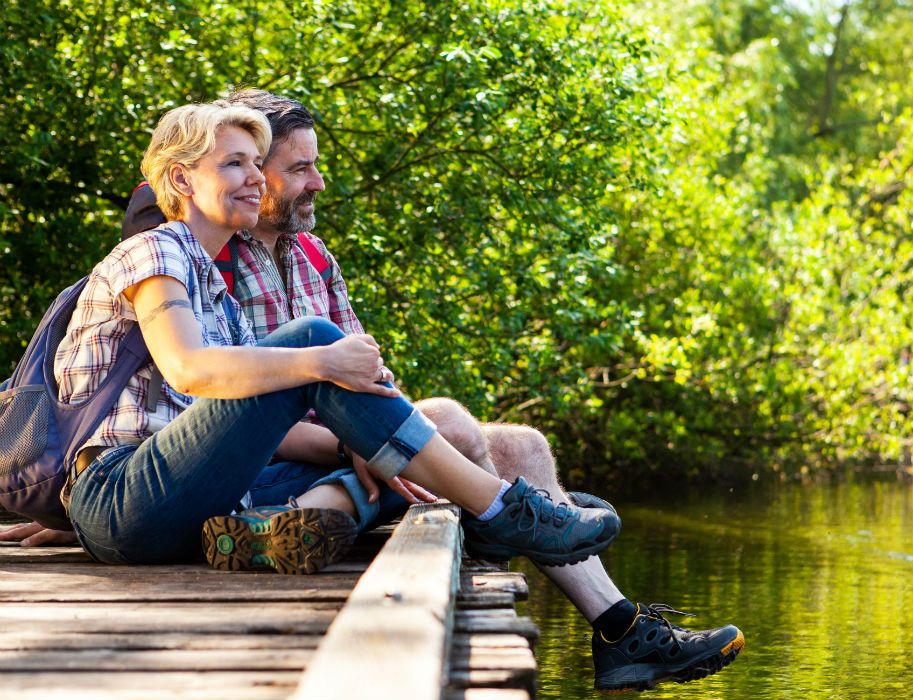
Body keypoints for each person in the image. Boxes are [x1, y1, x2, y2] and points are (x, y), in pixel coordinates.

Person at [43, 100, 620, 580]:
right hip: (121, 492)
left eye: (254, 162)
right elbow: (188, 368)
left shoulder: (215, 287)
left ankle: (289, 527)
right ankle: (499, 508)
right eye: (234, 164)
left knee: (405, 466)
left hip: (197, 498)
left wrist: (359, 444)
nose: (253, 177)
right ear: (181, 178)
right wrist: (320, 360)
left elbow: (241, 423)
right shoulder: (156, 250)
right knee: (318, 342)